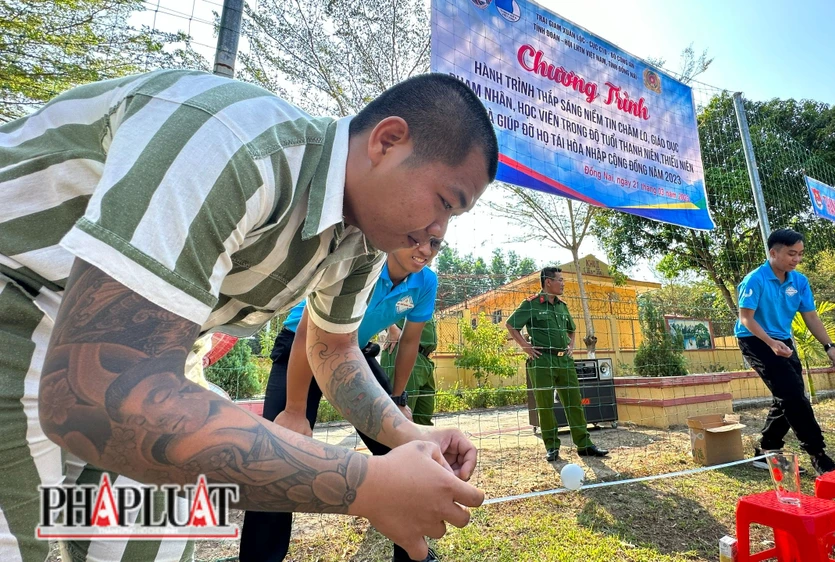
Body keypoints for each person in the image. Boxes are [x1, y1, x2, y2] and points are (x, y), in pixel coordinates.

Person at [0, 68, 497, 562]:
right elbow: (94, 392)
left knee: (146, 548)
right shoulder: (233, 142)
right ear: (387, 142)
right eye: (444, 203)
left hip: (156, 354)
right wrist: (365, 486)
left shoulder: (363, 239)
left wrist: (412, 436)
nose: (438, 232)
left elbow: (332, 348)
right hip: (21, 298)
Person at [240, 237, 445, 562]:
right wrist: (294, 410)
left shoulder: (425, 282)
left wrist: (397, 399)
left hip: (351, 352)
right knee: (276, 456)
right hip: (301, 345)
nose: (425, 250)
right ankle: (260, 557)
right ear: (397, 230)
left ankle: (412, 552)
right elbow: (309, 332)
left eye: (435, 242)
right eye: (415, 238)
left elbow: (409, 343)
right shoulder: (359, 261)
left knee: (404, 450)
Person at [734, 229, 835, 475]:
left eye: (800, 254)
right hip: (755, 339)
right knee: (793, 397)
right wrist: (771, 343)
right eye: (791, 254)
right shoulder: (755, 279)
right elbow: (745, 319)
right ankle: (818, 454)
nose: (796, 259)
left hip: (782, 340)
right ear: (773, 253)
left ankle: (767, 451)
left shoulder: (799, 281)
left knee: (788, 395)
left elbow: (811, 316)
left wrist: (829, 346)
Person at [505, 267, 608, 462]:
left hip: (564, 361)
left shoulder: (562, 306)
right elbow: (511, 325)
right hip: (542, 360)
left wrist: (570, 346)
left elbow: (571, 329)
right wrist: (525, 347)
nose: (563, 283)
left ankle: (584, 445)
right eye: (560, 280)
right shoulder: (531, 304)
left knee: (574, 403)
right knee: (545, 406)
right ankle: (552, 446)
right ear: (548, 282)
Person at [384, 318, 439, 426]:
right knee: (401, 418)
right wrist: (391, 326)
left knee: (423, 419)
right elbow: (370, 301)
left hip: (424, 357)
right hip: (403, 351)